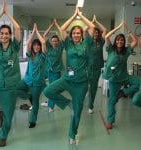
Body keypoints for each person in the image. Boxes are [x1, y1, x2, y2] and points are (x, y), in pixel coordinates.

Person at [43, 7, 95, 144]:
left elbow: (92, 26)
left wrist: (81, 16)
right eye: (74, 33)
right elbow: (62, 29)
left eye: (78, 33)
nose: (76, 35)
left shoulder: (86, 43)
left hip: (81, 83)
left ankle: (72, 135)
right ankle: (67, 104)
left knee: (77, 112)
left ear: (81, 35)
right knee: (48, 91)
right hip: (67, 79)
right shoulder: (67, 44)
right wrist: (74, 16)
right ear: (71, 35)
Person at [0, 1, 21, 147]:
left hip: (9, 85)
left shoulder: (15, 47)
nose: (3, 35)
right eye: (1, 33)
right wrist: (0, 14)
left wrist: (8, 14)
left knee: (9, 115)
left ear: (10, 36)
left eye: (6, 33)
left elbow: (17, 28)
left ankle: (3, 136)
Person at [102, 20, 140, 129]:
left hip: (125, 77)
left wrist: (128, 30)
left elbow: (135, 41)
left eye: (122, 40)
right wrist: (118, 27)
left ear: (124, 42)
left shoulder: (127, 51)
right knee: (111, 101)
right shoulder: (110, 50)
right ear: (116, 41)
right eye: (118, 40)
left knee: (139, 82)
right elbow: (106, 37)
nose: (120, 41)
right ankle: (110, 121)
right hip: (114, 79)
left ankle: (123, 93)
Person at [17, 23, 46, 128]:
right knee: (15, 88)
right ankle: (28, 96)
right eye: (35, 45)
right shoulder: (30, 55)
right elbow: (28, 42)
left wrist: (37, 31)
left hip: (37, 83)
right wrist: (32, 32)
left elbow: (43, 42)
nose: (36, 46)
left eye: (38, 45)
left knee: (35, 103)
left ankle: (32, 120)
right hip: (27, 80)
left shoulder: (43, 56)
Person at [85, 15, 107, 114]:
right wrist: (91, 22)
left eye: (97, 33)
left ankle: (90, 105)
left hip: (97, 69)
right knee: (85, 86)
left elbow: (105, 30)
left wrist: (96, 21)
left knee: (93, 88)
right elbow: (85, 30)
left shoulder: (101, 42)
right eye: (94, 32)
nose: (96, 34)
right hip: (87, 68)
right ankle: (85, 93)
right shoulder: (88, 41)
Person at [41, 19, 64, 112]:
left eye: (56, 41)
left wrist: (57, 25)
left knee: (53, 89)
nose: (54, 42)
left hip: (56, 72)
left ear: (58, 42)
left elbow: (62, 34)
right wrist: (51, 26)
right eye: (53, 41)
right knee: (50, 88)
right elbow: (44, 36)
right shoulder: (49, 47)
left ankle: (51, 106)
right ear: (51, 41)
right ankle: (49, 102)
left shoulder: (60, 48)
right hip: (49, 71)